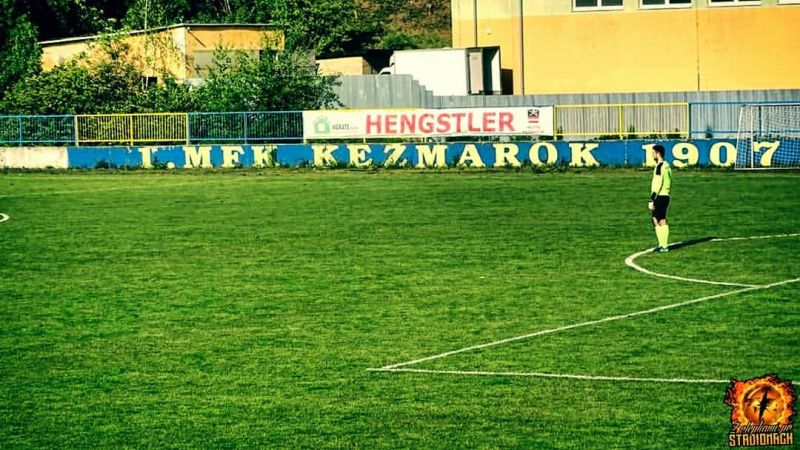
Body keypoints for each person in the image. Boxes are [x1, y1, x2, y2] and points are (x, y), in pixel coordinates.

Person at [648, 145, 672, 253]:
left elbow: (658, 183)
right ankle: (663, 246)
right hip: (666, 195)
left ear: (658, 153)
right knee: (662, 219)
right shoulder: (667, 165)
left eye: (653, 153)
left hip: (660, 196)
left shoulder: (659, 166)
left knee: (655, 220)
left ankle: (663, 245)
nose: (652, 155)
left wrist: (652, 199)